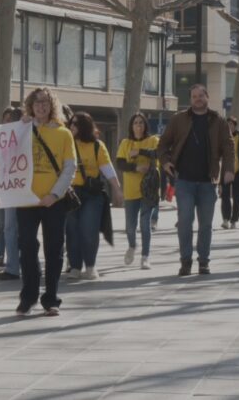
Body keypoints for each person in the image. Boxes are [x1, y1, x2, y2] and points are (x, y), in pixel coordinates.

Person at [157, 84, 234, 276]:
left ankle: (204, 261)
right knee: (184, 221)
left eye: (201, 95)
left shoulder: (218, 121)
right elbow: (163, 143)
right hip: (184, 181)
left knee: (206, 224)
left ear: (207, 97)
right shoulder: (178, 119)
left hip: (208, 182)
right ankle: (185, 260)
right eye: (194, 96)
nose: (197, 99)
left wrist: (229, 170)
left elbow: (228, 147)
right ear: (190, 99)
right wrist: (165, 163)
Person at [16, 87, 76, 316]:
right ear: (30, 106)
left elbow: (70, 167)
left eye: (45, 102)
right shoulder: (21, 130)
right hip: (25, 201)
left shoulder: (63, 133)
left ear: (52, 106)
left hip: (53, 201)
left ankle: (51, 298)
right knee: (27, 249)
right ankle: (28, 296)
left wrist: (54, 194)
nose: (41, 106)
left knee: (54, 250)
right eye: (36, 102)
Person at [65, 112, 123, 280]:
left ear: (85, 126)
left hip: (92, 194)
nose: (72, 127)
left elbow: (108, 169)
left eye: (76, 124)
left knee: (89, 230)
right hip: (70, 193)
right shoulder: (66, 143)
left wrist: (117, 189)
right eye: (71, 123)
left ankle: (90, 266)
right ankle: (75, 266)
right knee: (72, 231)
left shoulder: (97, 146)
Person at [116, 113, 160, 270]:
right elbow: (120, 164)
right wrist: (136, 167)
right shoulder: (125, 143)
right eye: (135, 122)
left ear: (145, 125)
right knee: (130, 226)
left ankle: (145, 256)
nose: (139, 125)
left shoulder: (153, 140)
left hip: (149, 190)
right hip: (131, 190)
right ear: (131, 126)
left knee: (145, 224)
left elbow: (159, 153)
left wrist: (140, 152)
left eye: (141, 122)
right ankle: (132, 246)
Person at [0, 106, 24, 280]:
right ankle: (13, 266)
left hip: (25, 188)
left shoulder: (28, 135)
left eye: (13, 120)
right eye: (6, 120)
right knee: (10, 227)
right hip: (9, 189)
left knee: (24, 229)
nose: (9, 123)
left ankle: (24, 263)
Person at [220, 117, 239, 229]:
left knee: (238, 197)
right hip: (226, 170)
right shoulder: (222, 138)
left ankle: (234, 220)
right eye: (227, 125)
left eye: (231, 124)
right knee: (225, 196)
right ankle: (225, 219)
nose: (229, 126)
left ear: (235, 126)